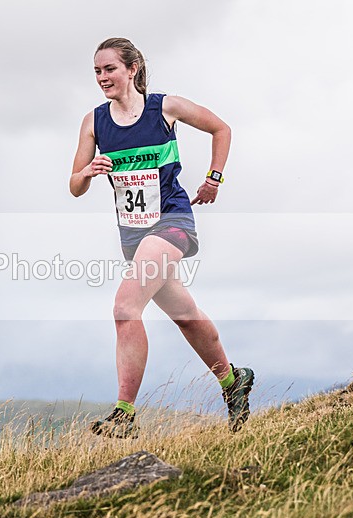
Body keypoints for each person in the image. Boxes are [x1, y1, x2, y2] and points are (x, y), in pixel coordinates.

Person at [69, 37, 254, 438]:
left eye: (110, 69)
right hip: (133, 235)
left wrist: (214, 178)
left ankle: (124, 413)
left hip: (172, 221)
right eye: (97, 71)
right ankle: (231, 379)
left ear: (132, 69)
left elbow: (220, 128)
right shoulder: (94, 122)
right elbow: (74, 185)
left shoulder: (164, 108)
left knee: (124, 306)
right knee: (185, 316)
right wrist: (86, 173)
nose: (103, 78)